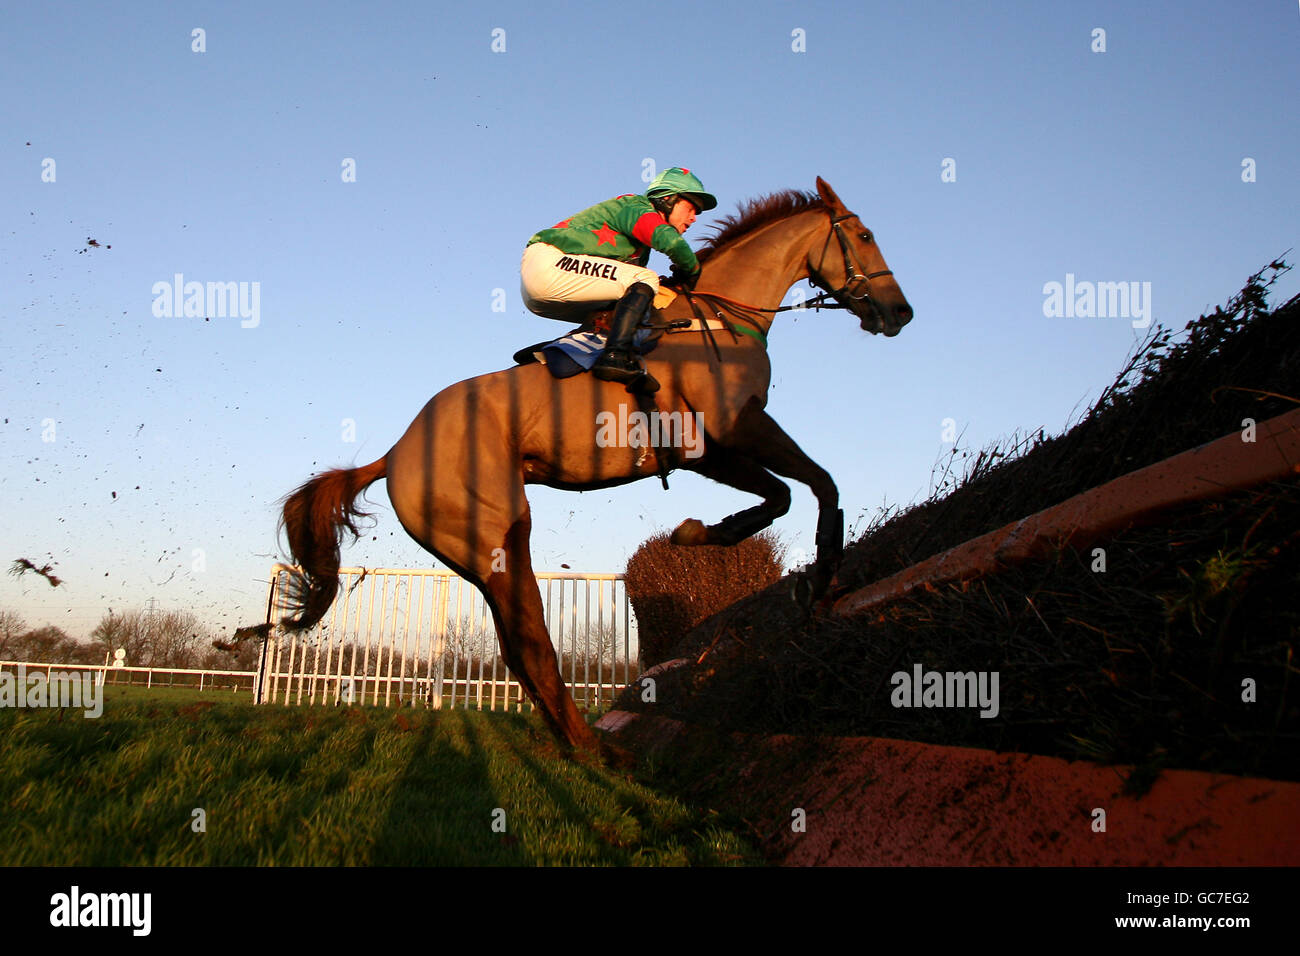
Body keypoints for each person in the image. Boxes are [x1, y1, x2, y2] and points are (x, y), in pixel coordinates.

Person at [520, 167, 717, 387]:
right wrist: (692, 269)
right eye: (691, 208)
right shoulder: (635, 206)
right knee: (645, 279)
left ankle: (567, 348)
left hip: (546, 291)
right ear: (668, 200)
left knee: (631, 306)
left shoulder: (639, 251)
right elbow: (670, 242)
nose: (693, 218)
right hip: (549, 263)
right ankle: (615, 358)